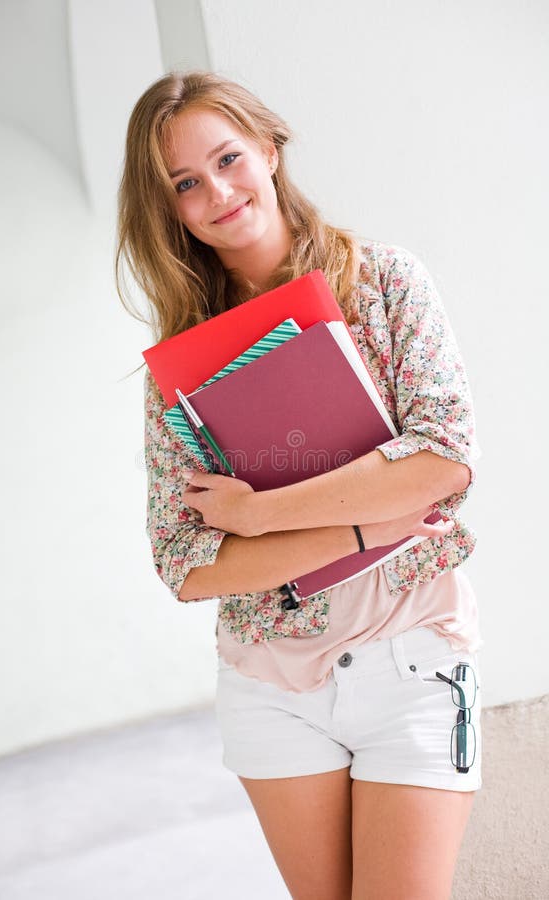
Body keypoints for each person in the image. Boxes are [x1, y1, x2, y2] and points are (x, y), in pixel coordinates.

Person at [116, 70, 483, 900]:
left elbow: (443, 462)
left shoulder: (385, 281)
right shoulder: (180, 369)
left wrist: (259, 515)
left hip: (412, 655)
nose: (218, 192)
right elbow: (185, 563)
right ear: (169, 208)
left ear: (269, 151)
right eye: (185, 183)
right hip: (270, 687)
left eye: (228, 159)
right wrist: (365, 526)